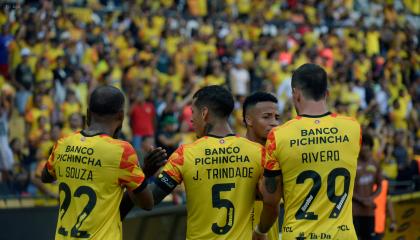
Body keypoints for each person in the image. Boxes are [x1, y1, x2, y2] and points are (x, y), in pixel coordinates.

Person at [137, 85, 265, 239]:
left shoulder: (185, 154)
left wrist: (144, 172)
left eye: (193, 112)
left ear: (204, 113)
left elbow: (149, 201)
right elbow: (271, 197)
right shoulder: (257, 152)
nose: (191, 119)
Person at [41, 86, 166, 240]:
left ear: (87, 113)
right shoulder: (121, 151)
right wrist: (146, 172)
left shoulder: (62, 143)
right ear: (121, 116)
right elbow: (147, 203)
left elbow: (45, 176)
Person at [254, 63, 361, 240]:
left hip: (298, 235)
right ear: (327, 93)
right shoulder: (353, 128)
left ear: (296, 94)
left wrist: (260, 230)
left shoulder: (279, 136)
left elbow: (271, 200)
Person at [243, 92, 281, 240]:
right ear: (249, 120)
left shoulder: (278, 155)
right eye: (267, 117)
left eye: (277, 118)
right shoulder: (236, 154)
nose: (274, 123)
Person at [353, 133, 382, 240]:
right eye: (362, 146)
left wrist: (371, 198)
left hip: (369, 211)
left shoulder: (375, 164)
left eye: (367, 147)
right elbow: (347, 189)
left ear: (370, 148)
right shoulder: (353, 164)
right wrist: (361, 199)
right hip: (355, 211)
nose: (364, 149)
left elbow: (380, 186)